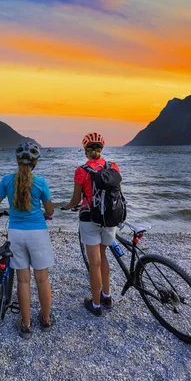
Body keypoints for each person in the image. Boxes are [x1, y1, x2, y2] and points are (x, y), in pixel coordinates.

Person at [0, 141, 55, 339]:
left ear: (17, 160)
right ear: (35, 162)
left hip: (16, 233)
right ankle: (46, 320)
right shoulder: (41, 183)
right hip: (38, 233)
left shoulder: (7, 181)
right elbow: (50, 211)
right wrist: (46, 213)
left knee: (23, 280)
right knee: (42, 279)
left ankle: (26, 325)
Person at [63, 133, 121, 316]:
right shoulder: (113, 167)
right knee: (104, 257)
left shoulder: (81, 171)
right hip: (111, 218)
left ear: (85, 151)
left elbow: (75, 200)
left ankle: (96, 305)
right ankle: (107, 296)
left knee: (94, 263)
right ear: (101, 149)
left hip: (90, 219)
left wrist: (65, 207)